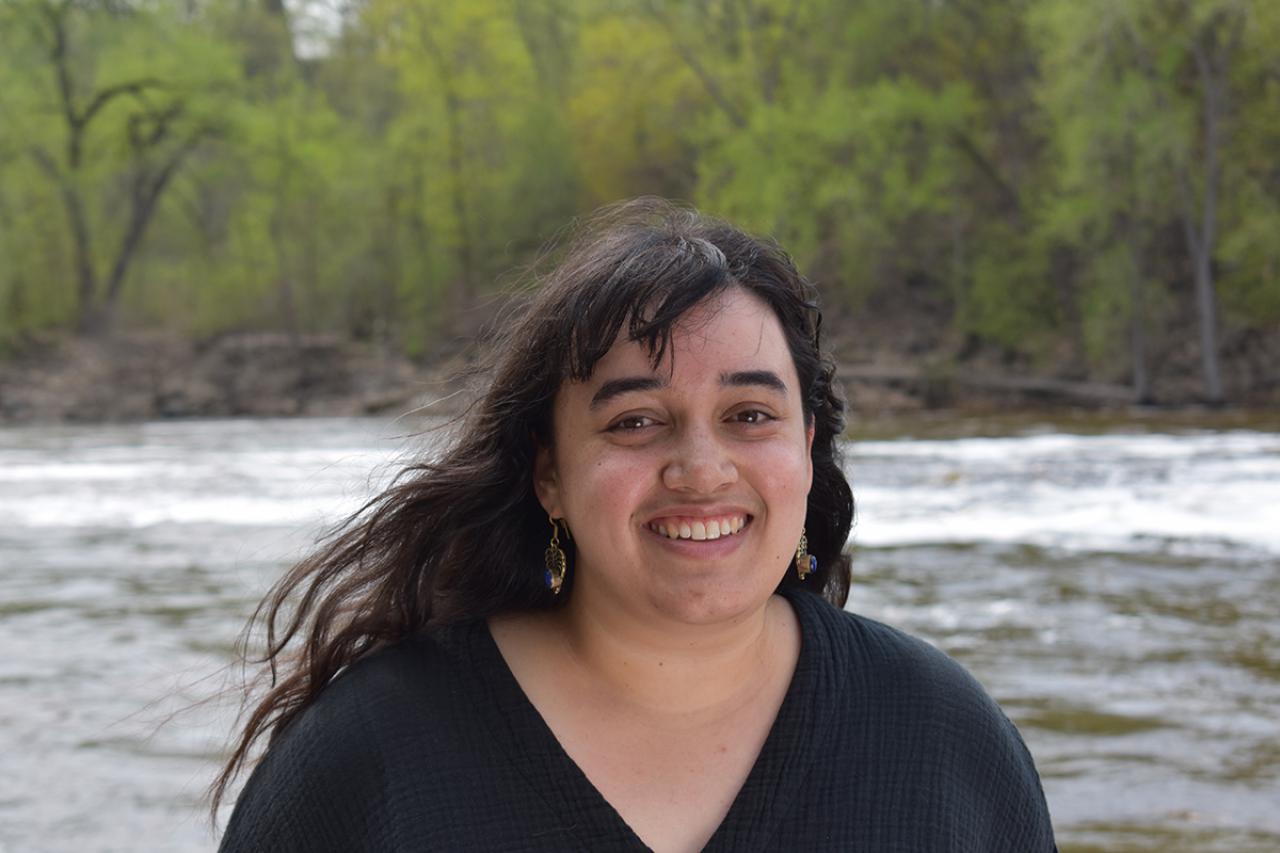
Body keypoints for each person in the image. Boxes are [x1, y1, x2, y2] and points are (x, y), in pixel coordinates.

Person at [214, 198, 1056, 852]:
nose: (701, 468)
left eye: (750, 414)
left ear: (805, 448)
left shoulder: (943, 740)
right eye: (636, 421)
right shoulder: (373, 753)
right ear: (549, 472)